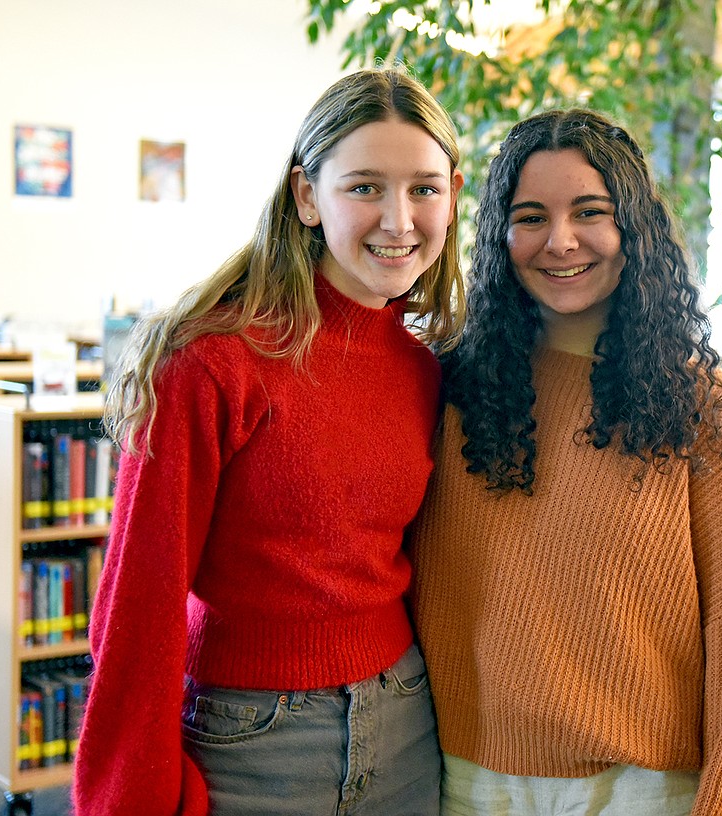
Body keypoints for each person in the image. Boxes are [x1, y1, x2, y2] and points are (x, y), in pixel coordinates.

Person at [72, 67, 465, 816]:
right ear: (307, 196)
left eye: (423, 188)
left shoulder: (423, 368)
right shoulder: (212, 359)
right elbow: (136, 611)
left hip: (407, 726)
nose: (399, 219)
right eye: (364, 187)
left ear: (452, 193)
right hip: (250, 739)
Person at [408, 109, 722, 815]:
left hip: (644, 790)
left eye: (590, 211)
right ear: (500, 238)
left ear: (634, 227)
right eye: (531, 216)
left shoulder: (706, 410)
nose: (560, 242)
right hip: (464, 781)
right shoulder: (449, 391)